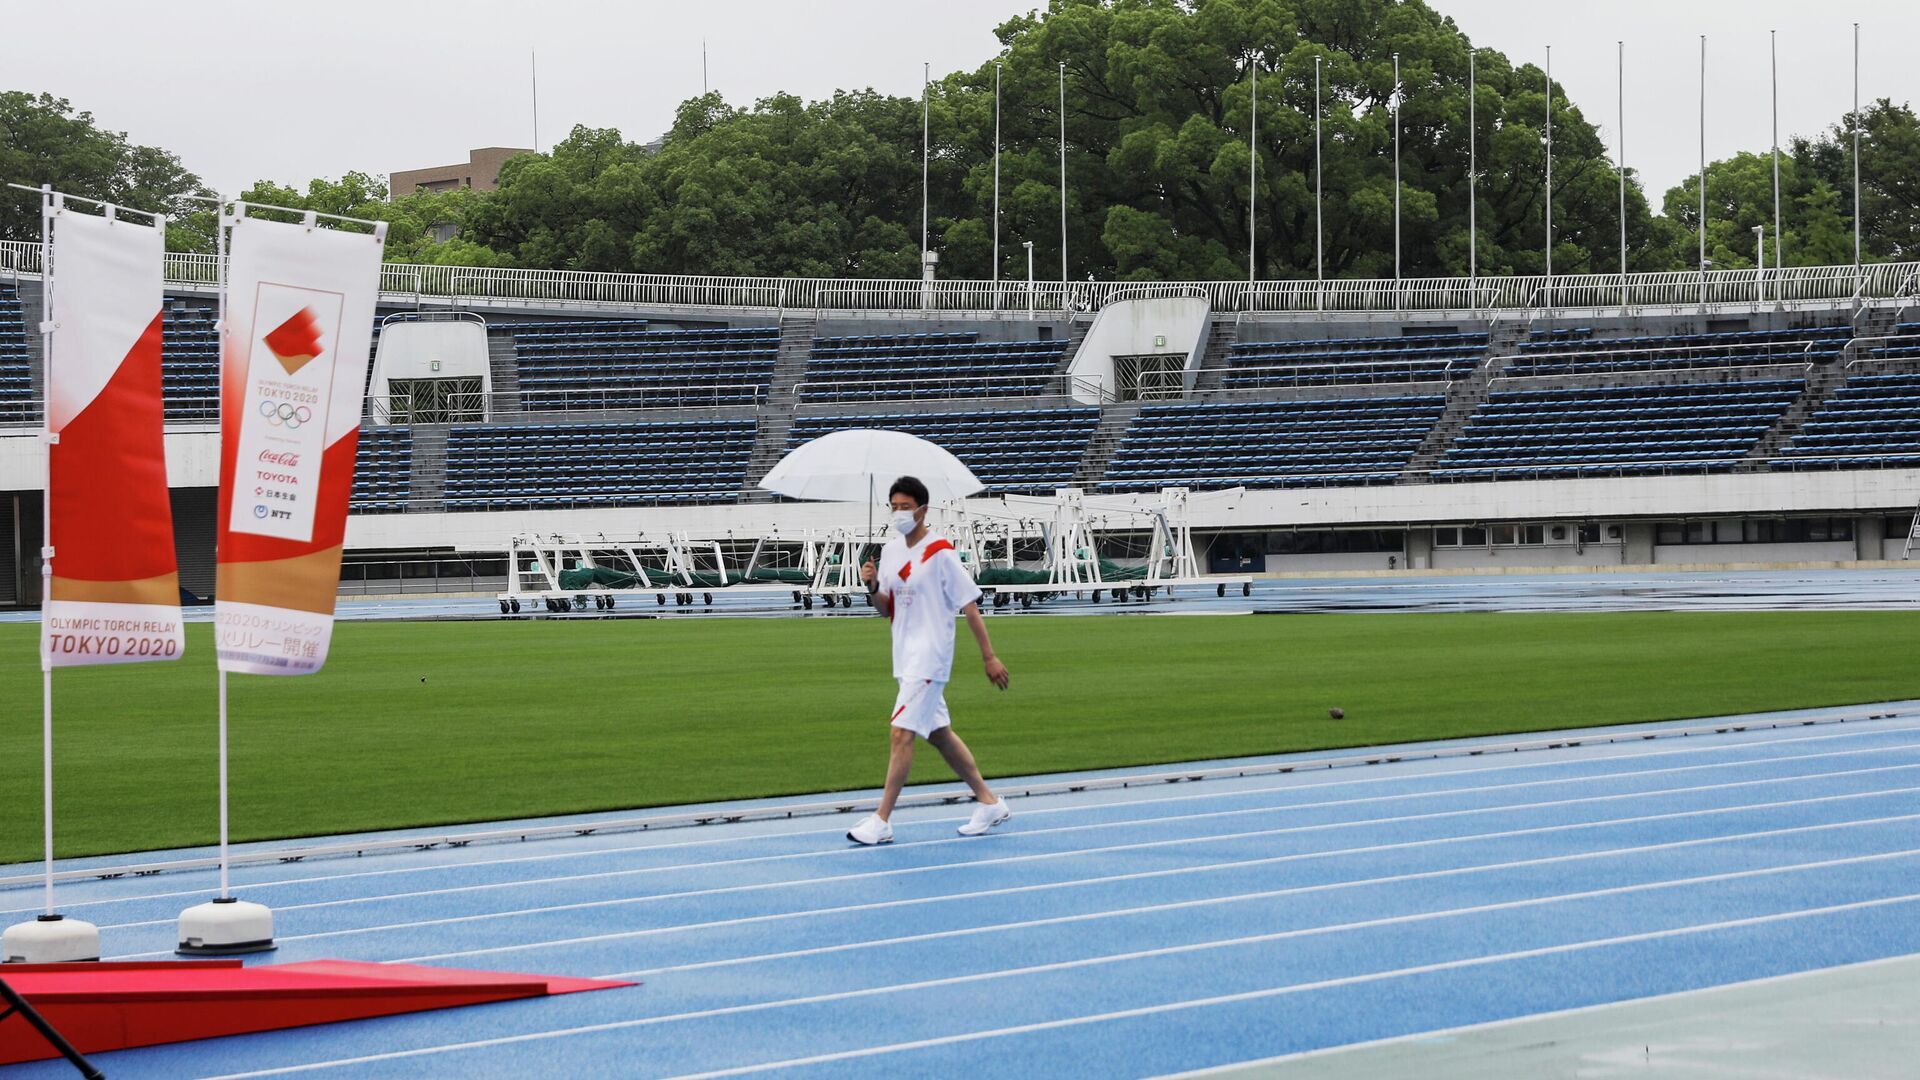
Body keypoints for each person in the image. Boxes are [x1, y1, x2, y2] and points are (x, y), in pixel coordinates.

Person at [845, 475, 1012, 845]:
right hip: (904, 655)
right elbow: (886, 607)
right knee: (940, 735)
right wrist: (871, 586)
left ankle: (881, 819)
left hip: (931, 655)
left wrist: (989, 656)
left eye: (905, 507)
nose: (899, 513)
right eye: (894, 507)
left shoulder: (940, 552)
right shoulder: (888, 552)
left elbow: (969, 606)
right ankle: (989, 802)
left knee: (901, 733)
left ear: (922, 509)